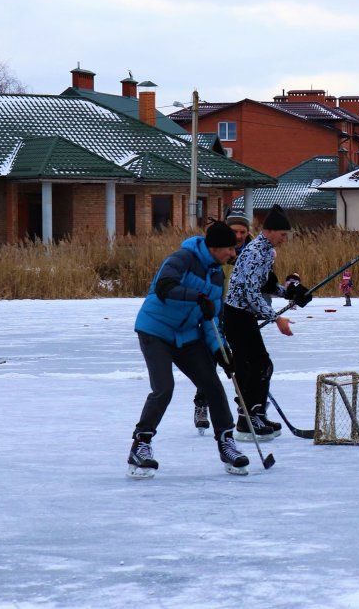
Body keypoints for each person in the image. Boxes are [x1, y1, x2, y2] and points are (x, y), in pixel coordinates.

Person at [128, 221, 249, 478]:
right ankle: (141, 444)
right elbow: (164, 287)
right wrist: (197, 297)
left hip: (186, 336)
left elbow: (212, 319)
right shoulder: (182, 258)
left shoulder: (217, 274)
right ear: (216, 247)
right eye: (230, 248)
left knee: (212, 385)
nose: (233, 254)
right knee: (164, 388)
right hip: (155, 331)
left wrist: (221, 352)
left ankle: (226, 442)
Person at [223, 204, 311, 441]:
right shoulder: (255, 253)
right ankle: (250, 417)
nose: (284, 239)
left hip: (244, 316)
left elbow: (263, 288)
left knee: (259, 367)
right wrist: (276, 318)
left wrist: (291, 293)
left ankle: (254, 414)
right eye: (283, 235)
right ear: (270, 231)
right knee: (258, 366)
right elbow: (251, 295)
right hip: (236, 316)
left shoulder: (265, 252)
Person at [192, 212, 251, 435]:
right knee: (212, 360)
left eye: (243, 232)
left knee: (241, 362)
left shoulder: (252, 253)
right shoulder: (215, 253)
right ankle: (202, 403)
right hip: (214, 312)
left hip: (239, 314)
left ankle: (243, 406)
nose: (238, 236)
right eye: (234, 231)